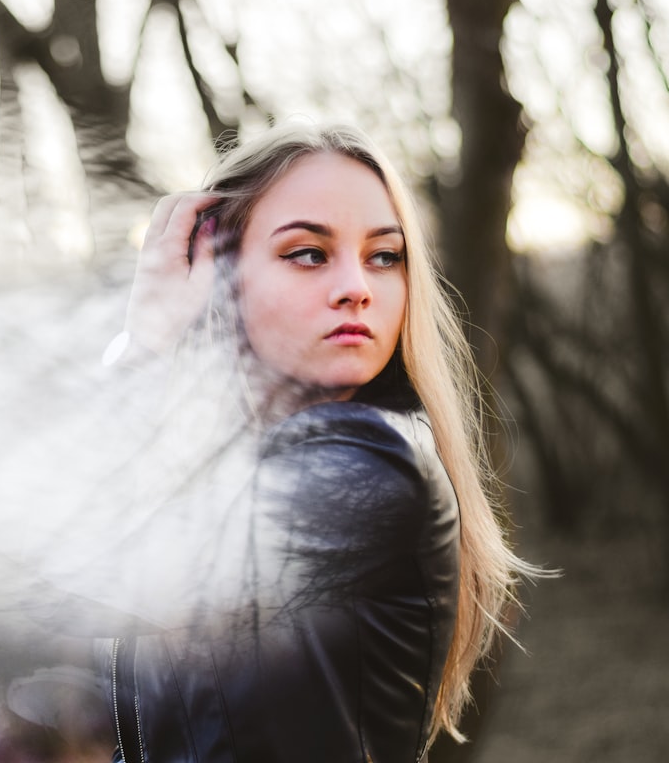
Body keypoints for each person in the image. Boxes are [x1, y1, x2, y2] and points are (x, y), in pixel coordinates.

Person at [77, 121, 535, 763]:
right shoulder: (227, 467)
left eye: (385, 256)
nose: (358, 286)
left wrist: (148, 343)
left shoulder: (372, 462)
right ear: (221, 279)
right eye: (310, 254)